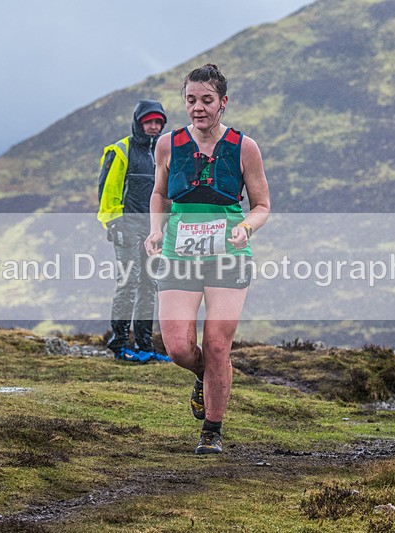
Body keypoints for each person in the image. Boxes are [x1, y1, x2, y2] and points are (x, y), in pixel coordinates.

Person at [144, 64, 271, 454]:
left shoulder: (244, 147)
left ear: (223, 103)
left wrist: (245, 228)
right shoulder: (167, 144)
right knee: (177, 347)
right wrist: (155, 228)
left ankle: (211, 432)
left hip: (229, 254)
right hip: (179, 251)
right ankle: (206, 375)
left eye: (206, 100)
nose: (198, 108)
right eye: (191, 100)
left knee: (217, 345)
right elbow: (160, 194)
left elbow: (262, 205)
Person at [97, 100, 172, 363]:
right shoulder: (121, 150)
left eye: (158, 122)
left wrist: (166, 226)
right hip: (126, 227)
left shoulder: (164, 152)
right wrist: (113, 224)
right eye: (148, 122)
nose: (153, 127)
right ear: (139, 123)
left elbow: (167, 194)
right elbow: (107, 191)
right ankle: (119, 345)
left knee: (149, 285)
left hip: (153, 230)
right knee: (128, 282)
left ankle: (144, 345)